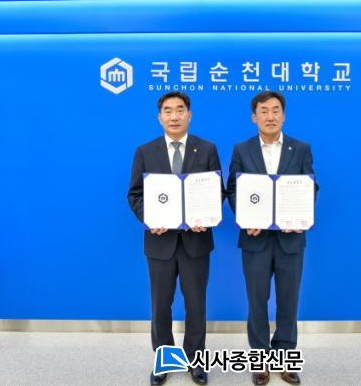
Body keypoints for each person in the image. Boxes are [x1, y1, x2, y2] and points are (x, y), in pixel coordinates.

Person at [128, 91, 222, 386]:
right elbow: (135, 194)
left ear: (189, 115)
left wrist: (206, 217)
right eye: (168, 111)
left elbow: (217, 191)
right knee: (160, 306)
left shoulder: (206, 149)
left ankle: (196, 361)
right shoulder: (145, 151)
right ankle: (165, 360)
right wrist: (150, 218)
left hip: (196, 242)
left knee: (196, 305)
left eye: (180, 110)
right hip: (160, 242)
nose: (174, 116)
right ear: (159, 118)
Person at [226, 91, 318, 386]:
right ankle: (260, 361)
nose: (270, 116)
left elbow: (310, 187)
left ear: (284, 115)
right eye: (264, 111)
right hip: (255, 240)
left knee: (289, 302)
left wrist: (299, 217)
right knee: (257, 302)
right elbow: (233, 189)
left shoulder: (300, 148)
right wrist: (246, 217)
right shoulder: (242, 150)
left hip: (291, 241)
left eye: (276, 110)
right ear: (254, 117)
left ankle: (286, 359)